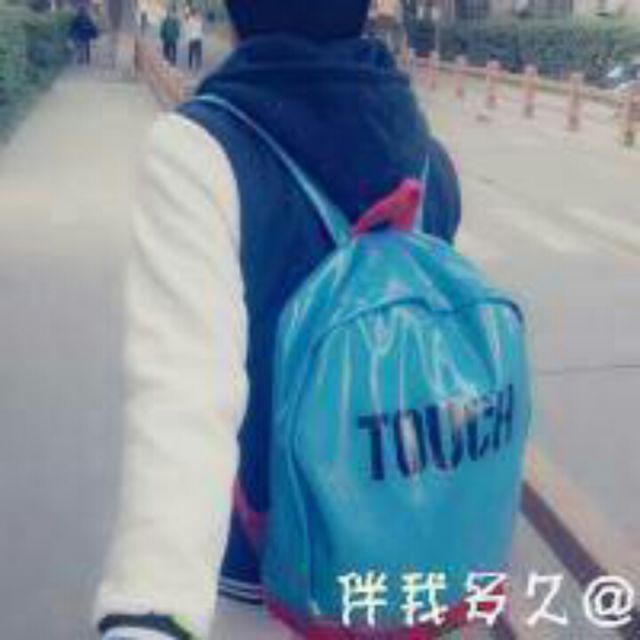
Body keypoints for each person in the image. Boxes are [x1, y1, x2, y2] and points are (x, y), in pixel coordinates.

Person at [93, 0, 461, 638]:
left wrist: (150, 613)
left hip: (262, 572)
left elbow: (182, 395)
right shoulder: (429, 155)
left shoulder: (203, 149)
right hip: (405, 550)